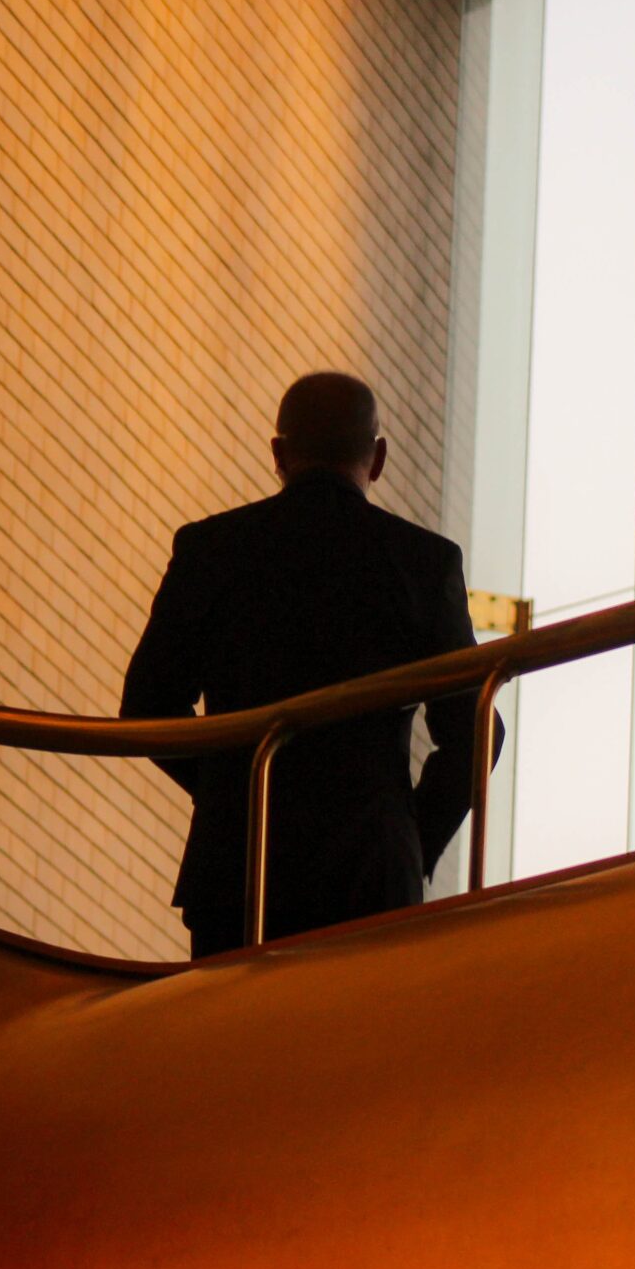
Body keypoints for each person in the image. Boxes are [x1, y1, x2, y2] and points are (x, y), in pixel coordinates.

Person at [122, 372, 500, 958]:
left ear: (278, 453)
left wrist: (235, 786)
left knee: (232, 1043)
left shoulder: (211, 549)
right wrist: (409, 837)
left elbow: (147, 706)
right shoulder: (423, 563)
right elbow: (477, 729)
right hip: (369, 875)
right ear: (377, 459)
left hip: (241, 869)